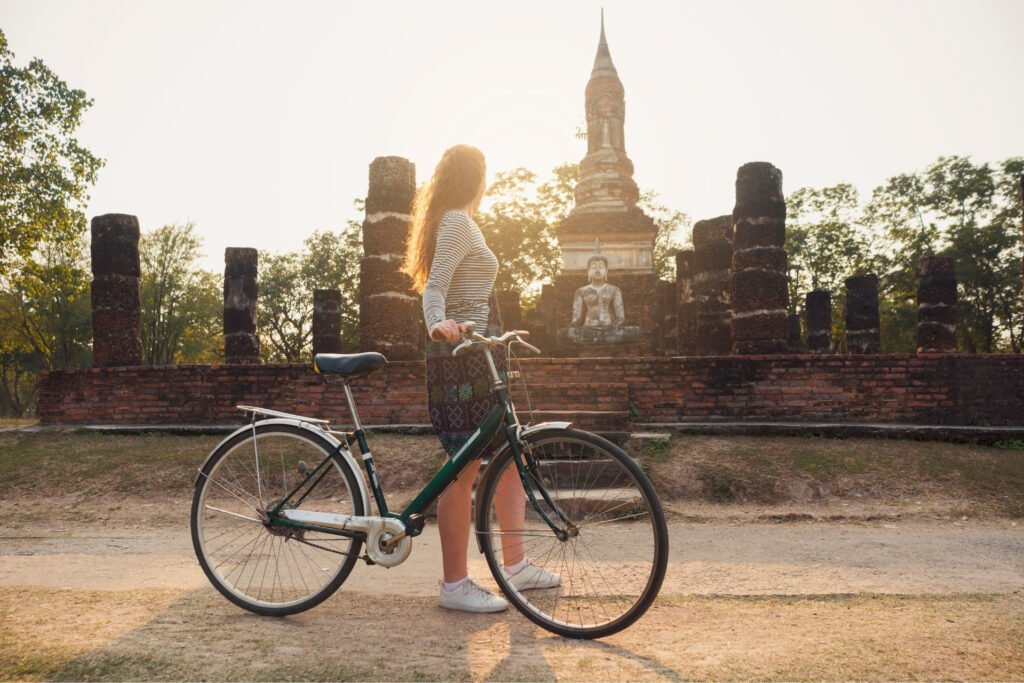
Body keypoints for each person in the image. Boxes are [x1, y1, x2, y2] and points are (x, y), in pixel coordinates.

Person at [402, 144, 559, 613]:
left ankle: (516, 565)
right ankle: (454, 584)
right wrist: (437, 323)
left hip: (483, 351)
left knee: (512, 458)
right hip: (460, 353)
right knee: (463, 467)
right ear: (478, 177)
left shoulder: (462, 221)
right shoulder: (455, 221)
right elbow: (436, 287)